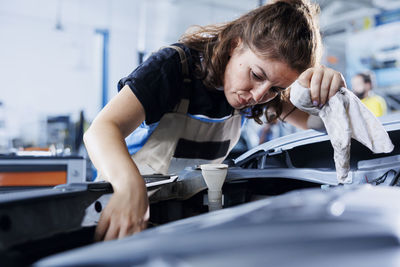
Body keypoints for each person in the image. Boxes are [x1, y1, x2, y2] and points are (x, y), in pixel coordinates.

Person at [83, 0, 346, 241]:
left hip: (181, 223)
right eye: (255, 74)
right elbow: (101, 130)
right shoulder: (172, 68)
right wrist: (130, 186)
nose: (258, 95)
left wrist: (334, 97)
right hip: (120, 212)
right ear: (235, 45)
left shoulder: (262, 91)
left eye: (275, 90)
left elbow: (319, 125)